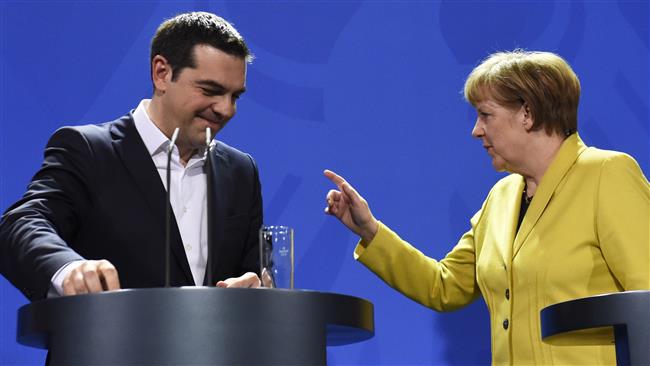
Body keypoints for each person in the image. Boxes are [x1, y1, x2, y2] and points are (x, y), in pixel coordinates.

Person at [324, 50, 649, 365]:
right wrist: (370, 230)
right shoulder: (501, 196)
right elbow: (444, 285)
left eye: (486, 115)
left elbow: (646, 297)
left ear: (527, 113)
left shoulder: (606, 174)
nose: (476, 130)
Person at [0, 12, 263, 300]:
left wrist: (257, 290)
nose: (226, 109)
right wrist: (68, 268)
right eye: (211, 90)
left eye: (235, 96)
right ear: (161, 73)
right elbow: (22, 223)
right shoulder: (88, 150)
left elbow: (251, 275)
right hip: (104, 343)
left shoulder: (241, 171)